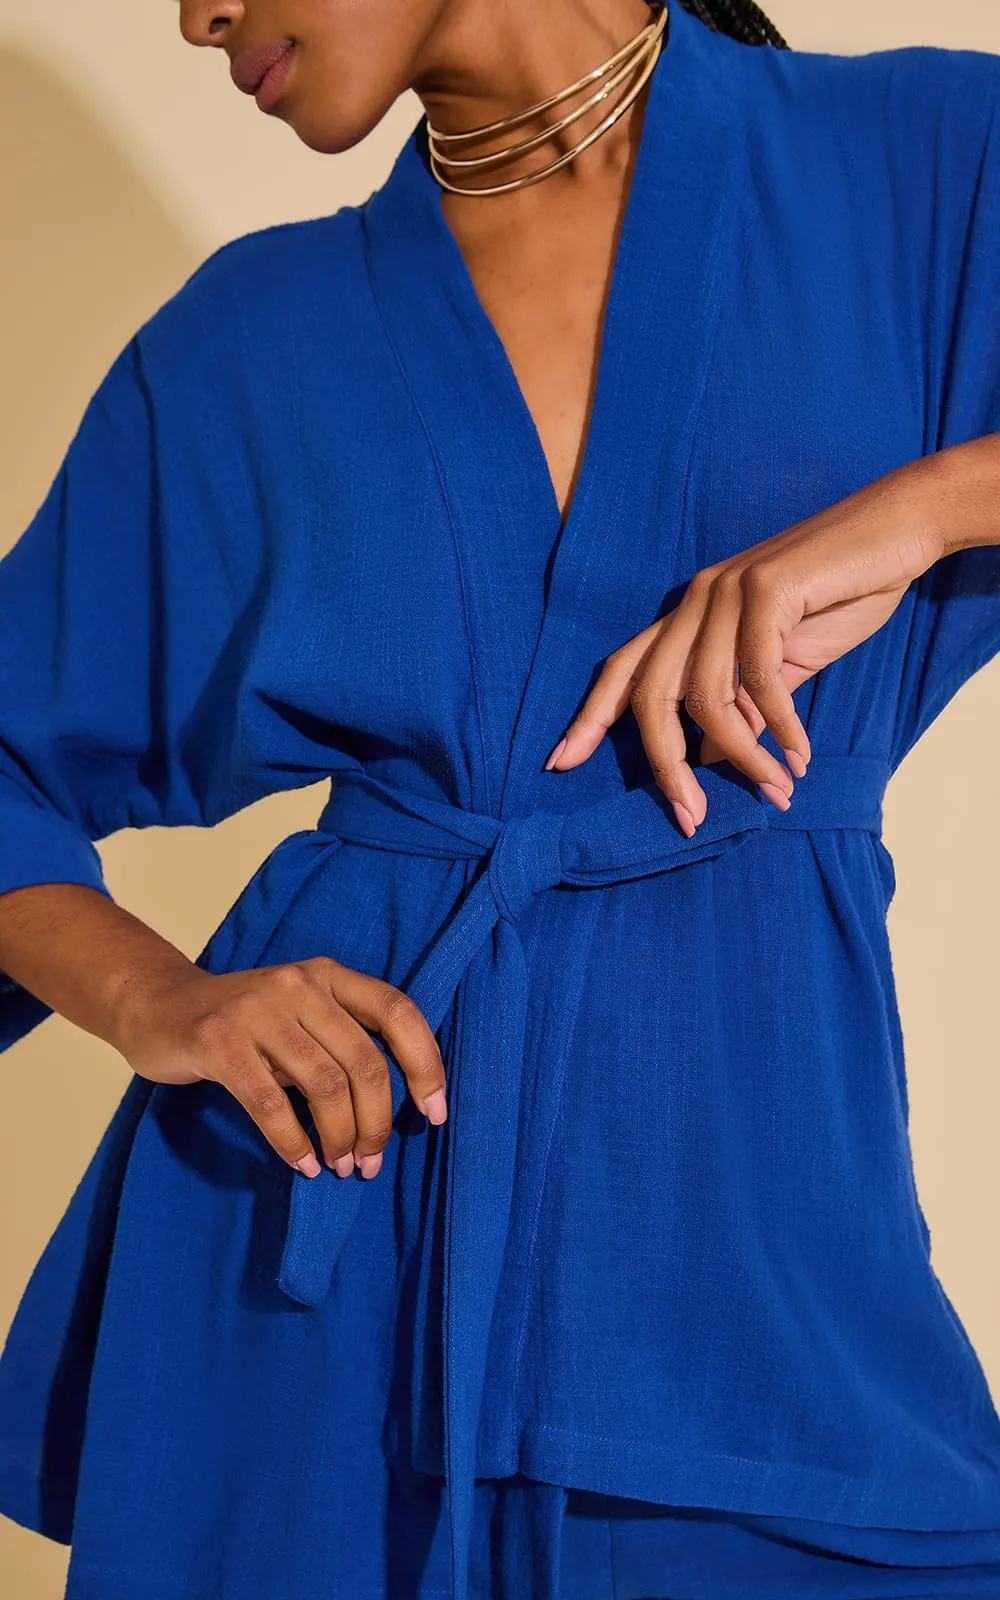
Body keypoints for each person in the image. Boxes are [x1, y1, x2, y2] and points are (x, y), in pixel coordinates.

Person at [1, 0, 1000, 1594]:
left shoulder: (930, 170)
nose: (196, 16)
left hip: (758, 1274)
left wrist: (933, 505)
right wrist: (157, 1001)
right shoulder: (249, 339)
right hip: (309, 1291)